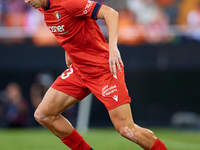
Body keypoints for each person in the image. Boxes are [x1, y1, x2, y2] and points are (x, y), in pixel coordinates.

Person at [24, 0, 168, 149]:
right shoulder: (43, 7)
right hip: (79, 70)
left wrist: (112, 48)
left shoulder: (68, 2)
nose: (26, 1)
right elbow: (71, 24)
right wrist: (68, 50)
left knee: (126, 130)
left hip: (103, 70)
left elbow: (111, 13)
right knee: (44, 115)